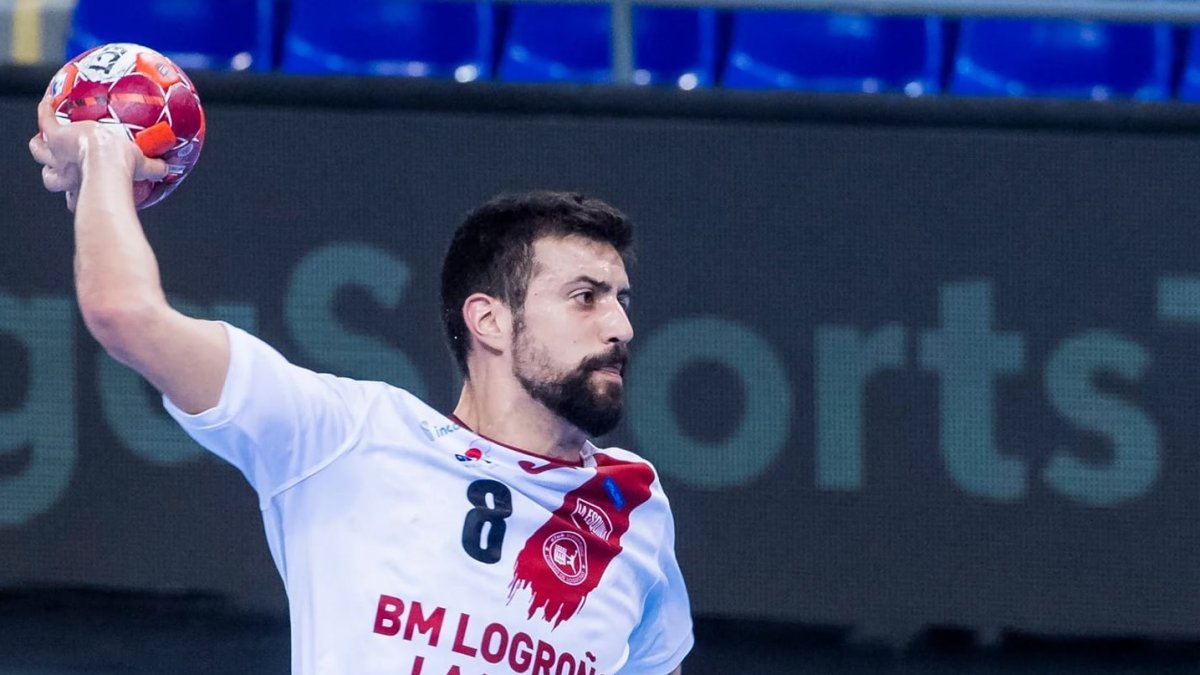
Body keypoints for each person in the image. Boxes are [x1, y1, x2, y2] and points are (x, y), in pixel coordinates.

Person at [30, 93, 693, 675]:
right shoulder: (345, 436)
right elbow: (126, 313)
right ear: (488, 319)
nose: (620, 327)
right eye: (585, 297)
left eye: (622, 300)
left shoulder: (635, 502)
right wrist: (105, 160)